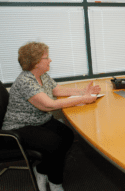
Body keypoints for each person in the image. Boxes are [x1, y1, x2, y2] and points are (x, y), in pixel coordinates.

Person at [2, 42, 101, 191]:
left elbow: (57, 90)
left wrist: (83, 91)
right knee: (54, 143)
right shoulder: (25, 81)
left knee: (67, 134)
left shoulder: (42, 75)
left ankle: (41, 169)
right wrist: (83, 99)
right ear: (35, 63)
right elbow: (49, 105)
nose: (50, 60)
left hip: (40, 120)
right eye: (46, 58)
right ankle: (55, 183)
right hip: (19, 126)